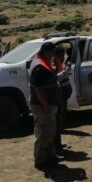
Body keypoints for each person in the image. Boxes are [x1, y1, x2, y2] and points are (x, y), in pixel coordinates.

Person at [30, 42, 61, 170]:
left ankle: (50, 156)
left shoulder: (46, 64)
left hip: (48, 104)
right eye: (53, 52)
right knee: (43, 132)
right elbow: (39, 89)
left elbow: (57, 71)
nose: (55, 55)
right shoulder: (40, 67)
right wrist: (45, 105)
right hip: (42, 105)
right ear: (47, 52)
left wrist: (56, 62)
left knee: (50, 131)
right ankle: (40, 160)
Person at [53, 45, 73, 155]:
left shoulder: (61, 62)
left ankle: (58, 144)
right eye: (60, 54)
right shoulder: (53, 63)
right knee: (57, 121)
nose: (62, 56)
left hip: (63, 95)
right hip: (59, 95)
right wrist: (66, 70)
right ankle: (56, 145)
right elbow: (57, 78)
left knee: (61, 120)